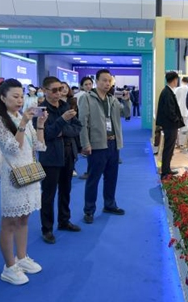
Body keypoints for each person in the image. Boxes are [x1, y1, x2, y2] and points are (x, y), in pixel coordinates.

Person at [0, 79, 47, 285]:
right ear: (2, 98)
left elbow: (39, 146)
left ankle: (22, 258)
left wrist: (39, 125)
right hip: (13, 176)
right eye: (15, 96)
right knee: (9, 222)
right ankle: (9, 266)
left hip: (29, 173)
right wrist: (23, 123)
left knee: (24, 218)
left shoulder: (20, 117)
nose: (19, 100)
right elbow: (13, 148)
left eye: (21, 96)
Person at [37, 76, 83, 244]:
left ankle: (64, 221)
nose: (58, 93)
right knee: (48, 195)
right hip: (50, 157)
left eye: (60, 89)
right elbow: (46, 134)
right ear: (45, 90)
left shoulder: (65, 105)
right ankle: (47, 228)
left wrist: (62, 131)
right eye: (54, 90)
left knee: (66, 190)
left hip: (68, 154)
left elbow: (77, 127)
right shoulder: (40, 110)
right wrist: (62, 120)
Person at [79, 69, 126, 223]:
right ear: (96, 81)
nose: (107, 83)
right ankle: (89, 210)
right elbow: (82, 123)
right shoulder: (87, 98)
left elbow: (126, 113)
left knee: (111, 177)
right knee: (93, 178)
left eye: (109, 81)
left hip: (113, 144)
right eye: (104, 80)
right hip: (97, 145)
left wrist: (126, 99)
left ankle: (109, 204)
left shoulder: (112, 99)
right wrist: (85, 143)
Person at [156, 71, 185, 177]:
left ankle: (167, 169)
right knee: (169, 148)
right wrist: (176, 120)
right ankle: (165, 170)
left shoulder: (167, 91)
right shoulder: (167, 92)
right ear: (174, 80)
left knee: (169, 148)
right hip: (170, 125)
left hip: (169, 124)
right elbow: (170, 110)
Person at [76, 76, 94, 180]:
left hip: (95, 127)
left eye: (90, 84)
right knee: (88, 150)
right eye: (86, 84)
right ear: (82, 86)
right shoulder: (80, 96)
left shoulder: (95, 96)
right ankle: (89, 172)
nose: (88, 86)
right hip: (84, 126)